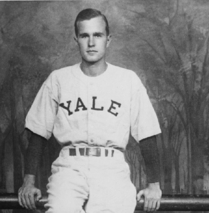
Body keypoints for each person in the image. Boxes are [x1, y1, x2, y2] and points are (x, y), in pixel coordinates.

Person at [18, 8, 162, 213]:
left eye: (98, 35)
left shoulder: (127, 80)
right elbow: (38, 133)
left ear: (108, 39)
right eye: (85, 35)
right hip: (69, 167)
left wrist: (153, 186)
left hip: (111, 167)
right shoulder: (58, 79)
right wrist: (28, 181)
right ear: (76, 39)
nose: (91, 43)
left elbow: (147, 133)